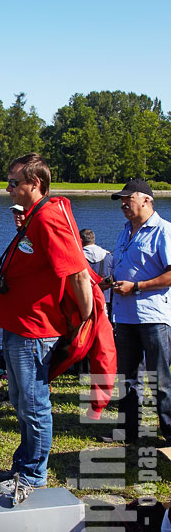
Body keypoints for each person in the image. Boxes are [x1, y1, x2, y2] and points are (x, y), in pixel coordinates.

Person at [0, 154, 93, 498]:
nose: (8, 189)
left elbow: (77, 271)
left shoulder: (48, 217)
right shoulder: (35, 216)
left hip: (35, 330)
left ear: (34, 185)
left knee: (33, 404)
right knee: (21, 400)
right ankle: (25, 463)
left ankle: (33, 476)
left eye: (14, 182)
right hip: (18, 324)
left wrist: (87, 316)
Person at [109, 178, 171, 445]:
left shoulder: (164, 231)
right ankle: (129, 433)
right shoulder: (125, 230)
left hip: (152, 317)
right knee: (127, 379)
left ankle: (168, 435)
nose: (123, 204)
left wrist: (137, 286)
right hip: (124, 316)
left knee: (161, 381)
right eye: (122, 200)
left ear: (146, 200)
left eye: (128, 199)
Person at [80, 228, 113, 316]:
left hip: (84, 300)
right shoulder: (108, 256)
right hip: (105, 300)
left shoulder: (79, 258)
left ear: (80, 240)